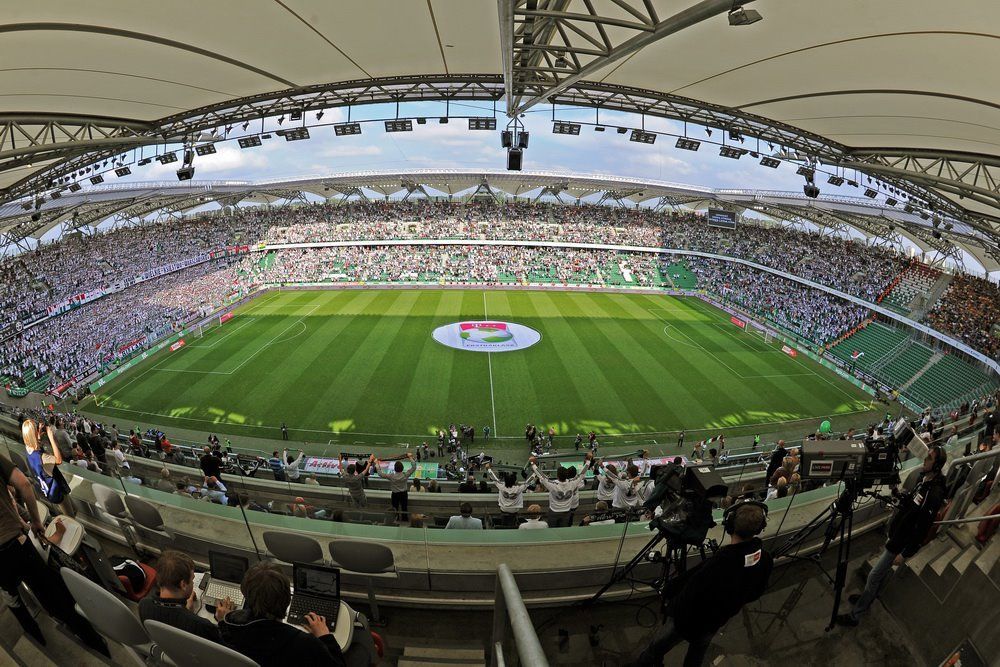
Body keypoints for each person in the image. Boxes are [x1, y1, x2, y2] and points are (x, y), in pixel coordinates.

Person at [631, 501, 773, 666]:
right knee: (697, 652)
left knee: (656, 649)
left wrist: (671, 603)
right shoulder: (765, 559)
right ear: (759, 528)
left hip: (687, 620)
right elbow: (756, 592)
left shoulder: (719, 563)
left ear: (730, 525)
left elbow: (689, 594)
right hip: (715, 621)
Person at [0, 448, 109, 656]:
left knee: (12, 598)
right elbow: (23, 484)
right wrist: (37, 523)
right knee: (54, 597)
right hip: (16, 544)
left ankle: (37, 639)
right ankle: (96, 644)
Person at [837, 445, 948, 627]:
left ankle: (856, 615)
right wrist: (896, 493)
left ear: (936, 466)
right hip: (897, 534)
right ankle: (867, 598)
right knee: (878, 576)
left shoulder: (933, 493)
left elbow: (921, 529)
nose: (925, 460)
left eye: (929, 458)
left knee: (873, 576)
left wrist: (905, 553)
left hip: (900, 543)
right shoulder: (924, 479)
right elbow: (911, 504)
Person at [219, 563, 347, 666]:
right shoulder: (306, 644)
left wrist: (222, 621)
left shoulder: (230, 628)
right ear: (288, 599)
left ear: (246, 597)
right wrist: (325, 637)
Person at [139, 550, 233, 642]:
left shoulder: (143, 605)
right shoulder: (201, 625)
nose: (193, 582)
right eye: (192, 580)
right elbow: (227, 647)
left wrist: (186, 611)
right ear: (183, 585)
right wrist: (223, 621)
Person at [529, 453, 593, 527]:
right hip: (566, 511)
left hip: (554, 511)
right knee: (563, 530)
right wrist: (588, 460)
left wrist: (532, 463)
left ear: (557, 475)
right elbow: (582, 473)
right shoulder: (572, 483)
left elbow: (541, 475)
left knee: (553, 530)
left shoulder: (552, 484)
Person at [374, 453, 416, 519]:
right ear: (402, 468)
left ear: (394, 468)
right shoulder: (405, 474)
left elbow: (380, 474)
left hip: (395, 494)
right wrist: (410, 457)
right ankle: (405, 519)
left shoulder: (391, 476)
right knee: (404, 508)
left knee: (395, 508)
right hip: (404, 494)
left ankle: (396, 519)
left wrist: (377, 463)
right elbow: (414, 467)